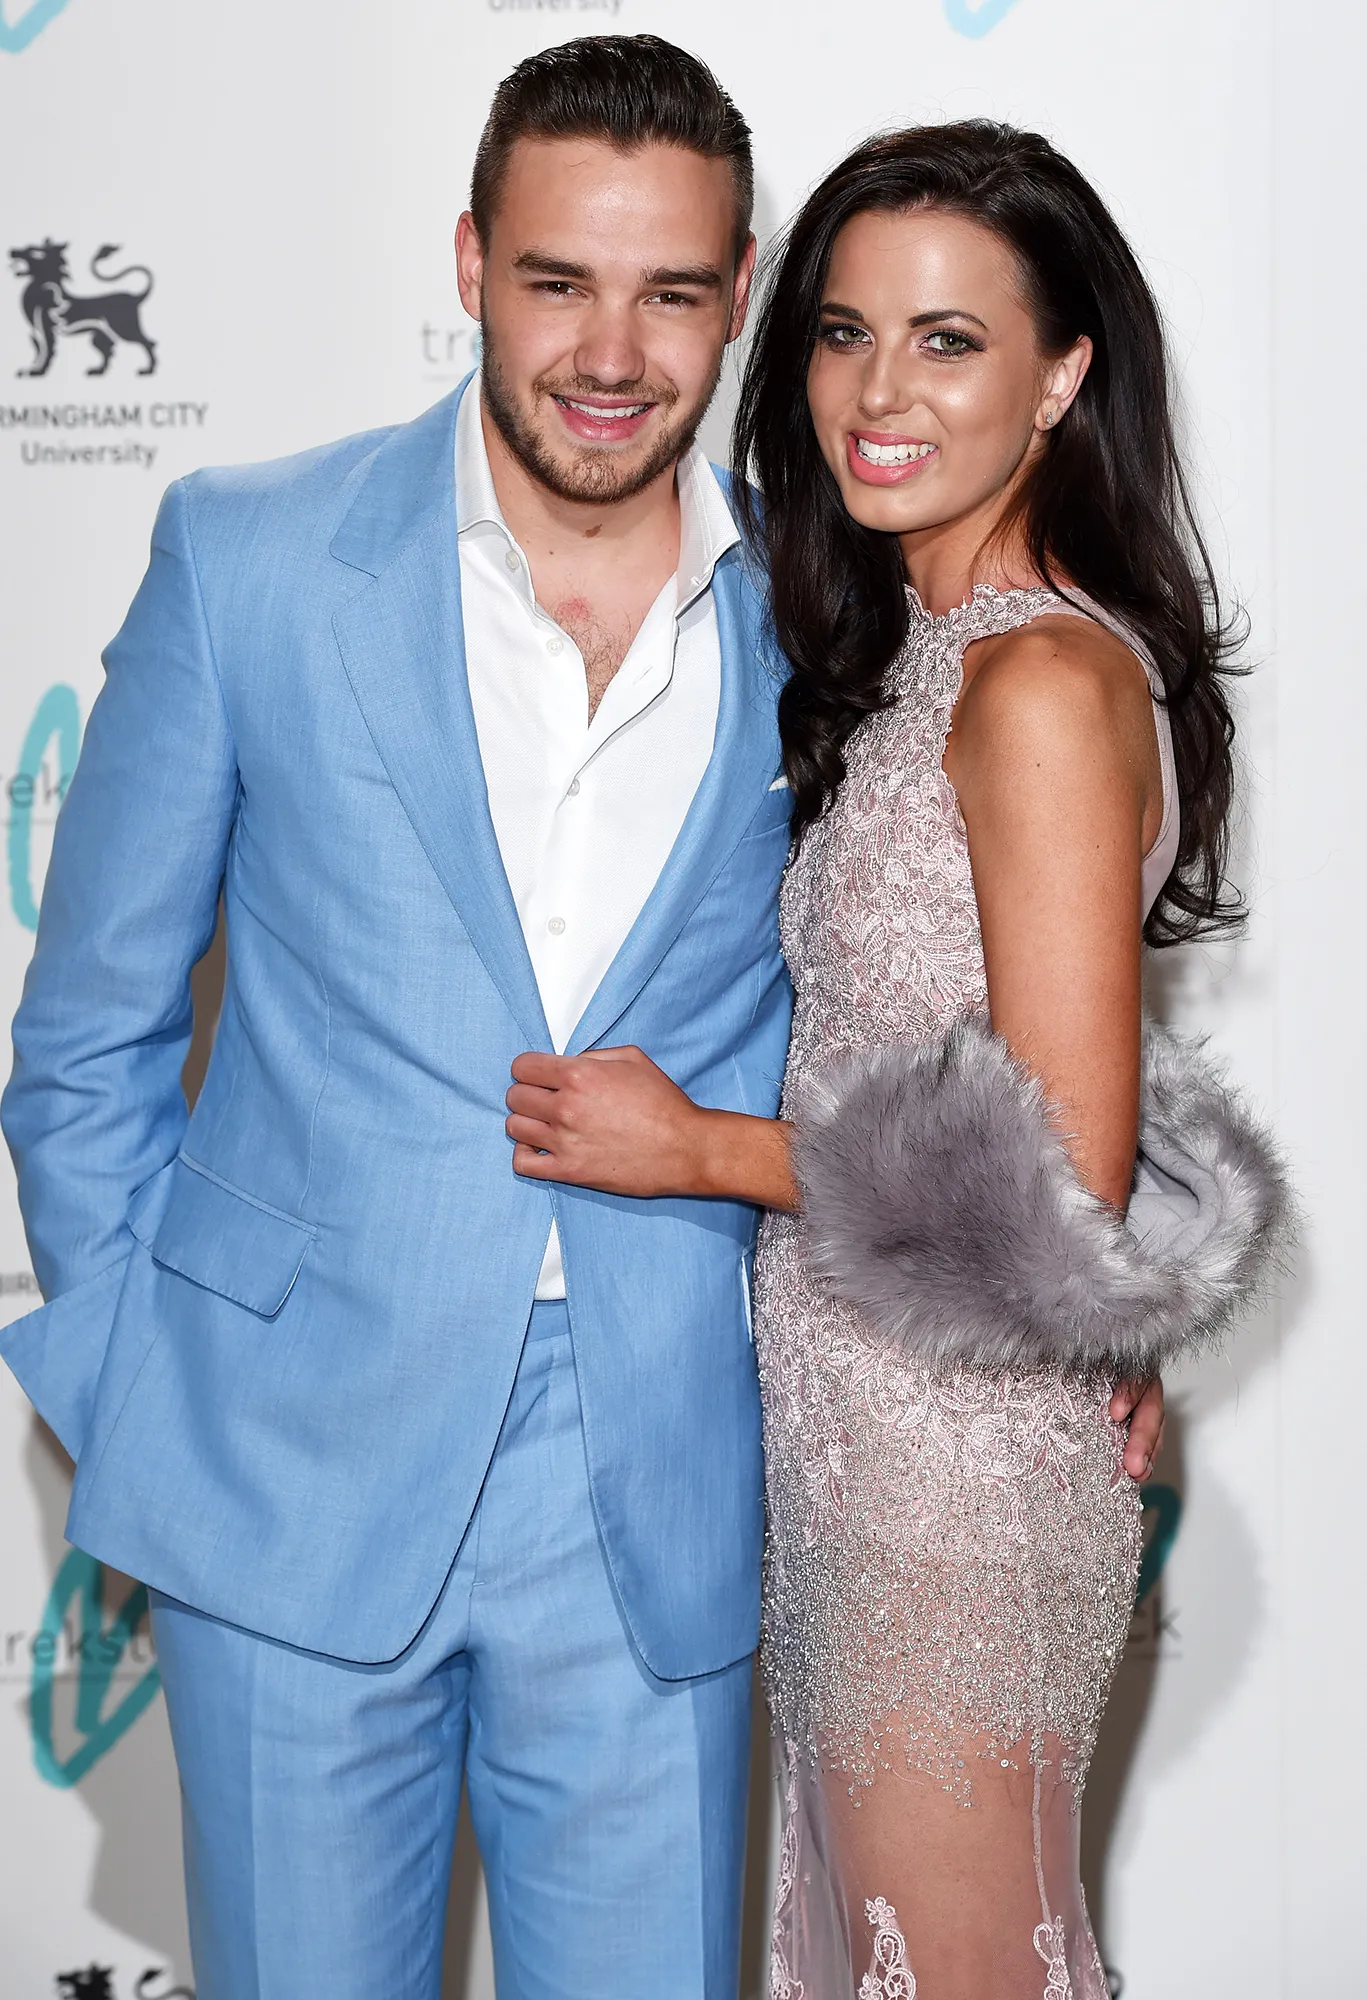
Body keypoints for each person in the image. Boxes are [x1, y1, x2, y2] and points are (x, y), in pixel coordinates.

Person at [1, 46, 1165, 1993]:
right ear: (470, 263)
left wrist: (1094, 1301)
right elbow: (87, 1034)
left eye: (673, 292)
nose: (611, 354)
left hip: (667, 1470)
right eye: (556, 282)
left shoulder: (835, 607)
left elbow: (1001, 1015)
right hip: (281, 1468)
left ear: (739, 297)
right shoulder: (251, 556)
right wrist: (148, 1399)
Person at [501, 123, 1290, 1997]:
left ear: (1061, 377)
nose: (876, 393)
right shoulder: (928, 657)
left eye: (948, 341)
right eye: (844, 332)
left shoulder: (1037, 682)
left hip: (952, 1473)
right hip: (869, 1428)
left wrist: (703, 1149)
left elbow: (1058, 1170)